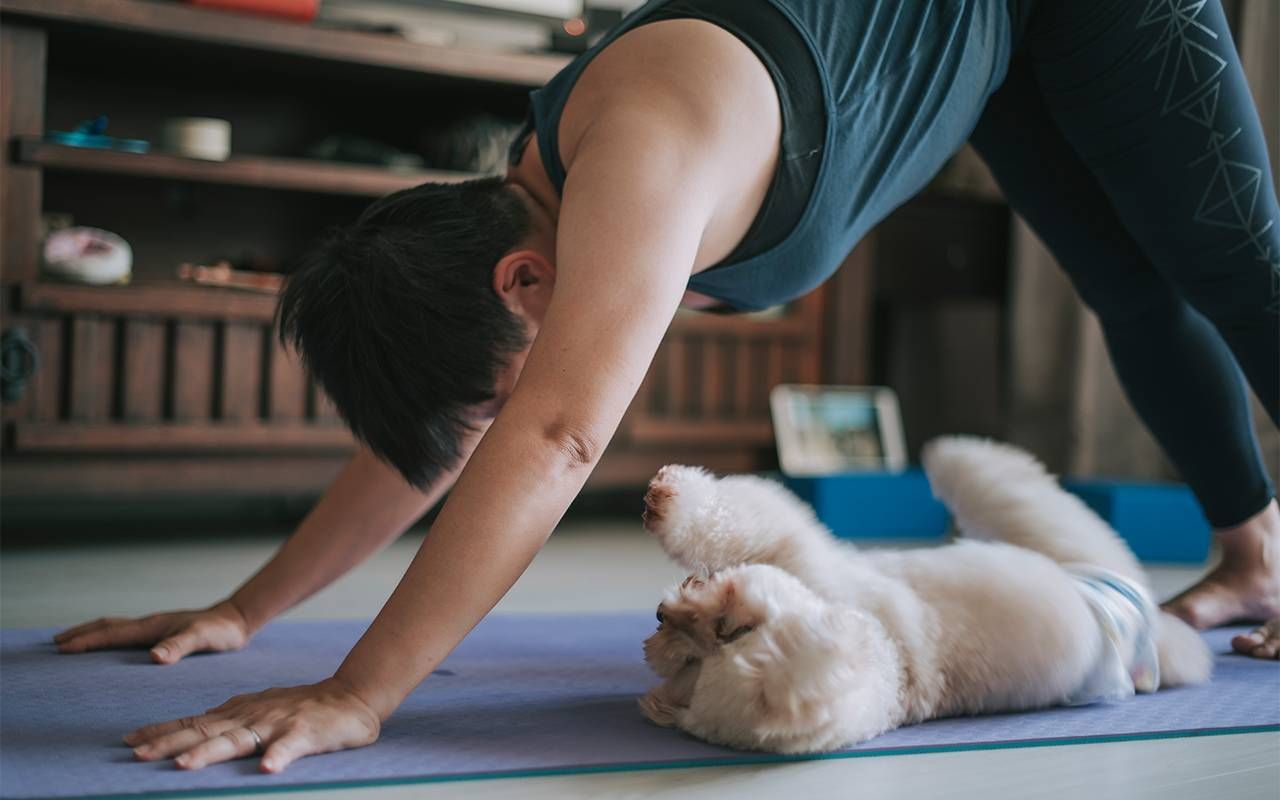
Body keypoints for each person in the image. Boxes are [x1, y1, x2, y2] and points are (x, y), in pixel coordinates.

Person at [53, 0, 1278, 773]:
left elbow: (552, 429)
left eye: (490, 390)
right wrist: (246, 608)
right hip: (997, 37)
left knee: (1237, 269)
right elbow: (456, 428)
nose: (483, 428)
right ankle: (1255, 556)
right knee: (1133, 293)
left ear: (524, 280)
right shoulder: (523, 231)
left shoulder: (639, 155)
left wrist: (359, 691)